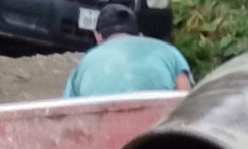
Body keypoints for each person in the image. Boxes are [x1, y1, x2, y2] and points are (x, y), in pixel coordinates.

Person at [61, 6, 193, 98]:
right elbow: (185, 100)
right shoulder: (169, 52)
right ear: (140, 36)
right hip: (155, 126)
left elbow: (66, 111)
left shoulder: (86, 60)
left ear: (97, 37)